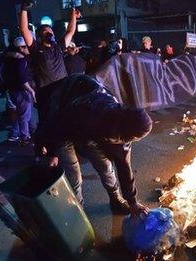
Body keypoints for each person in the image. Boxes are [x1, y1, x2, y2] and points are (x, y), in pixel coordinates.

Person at [35, 74, 152, 216]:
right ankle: (77, 212)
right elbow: (53, 121)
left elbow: (124, 167)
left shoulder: (125, 133)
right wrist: (51, 151)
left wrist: (133, 201)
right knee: (73, 175)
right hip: (64, 116)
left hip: (89, 132)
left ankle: (115, 199)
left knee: (107, 168)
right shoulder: (91, 112)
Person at [19, 3, 81, 90]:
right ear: (40, 36)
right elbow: (24, 29)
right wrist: (24, 9)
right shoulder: (36, 48)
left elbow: (70, 31)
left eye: (50, 31)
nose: (49, 33)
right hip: (47, 92)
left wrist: (73, 15)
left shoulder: (59, 47)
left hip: (63, 88)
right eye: (45, 31)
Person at [3, 37, 36, 144]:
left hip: (13, 90)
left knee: (24, 113)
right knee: (25, 115)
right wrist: (31, 90)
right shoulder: (21, 60)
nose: (29, 48)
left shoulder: (9, 58)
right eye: (27, 46)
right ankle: (25, 137)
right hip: (22, 91)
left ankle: (22, 133)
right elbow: (22, 78)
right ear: (21, 48)